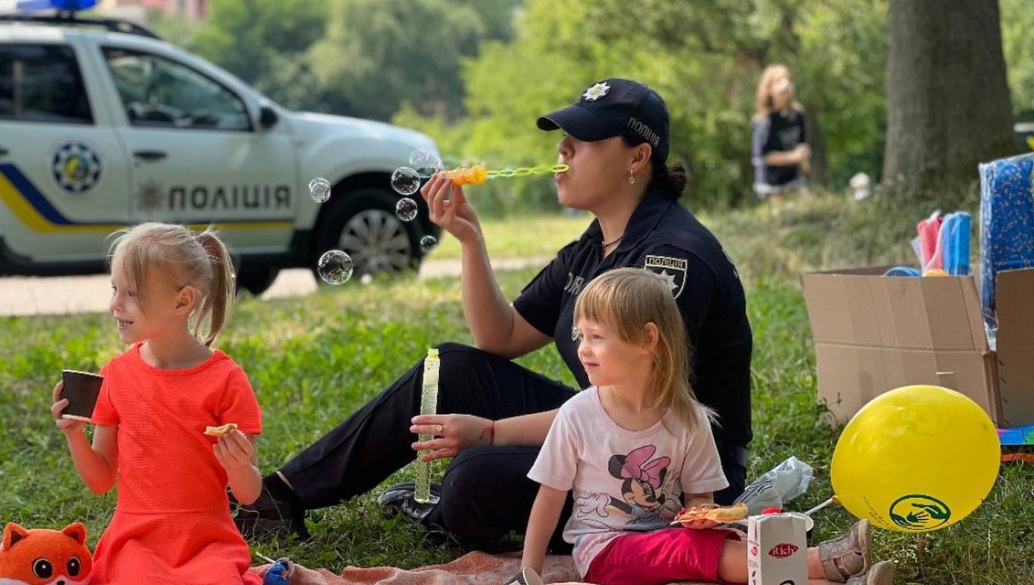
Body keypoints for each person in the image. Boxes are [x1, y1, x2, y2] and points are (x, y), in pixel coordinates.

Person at [239, 78, 753, 551]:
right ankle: (280, 497)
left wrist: (488, 432)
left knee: (473, 478)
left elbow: (640, 406)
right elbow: (501, 336)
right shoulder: (595, 245)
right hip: (611, 425)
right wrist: (469, 239)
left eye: (584, 140)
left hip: (673, 471)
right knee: (451, 368)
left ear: (637, 157)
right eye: (563, 138)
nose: (563, 150)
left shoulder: (672, 259)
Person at [518, 267, 894, 585]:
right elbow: (549, 499)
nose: (582, 347)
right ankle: (823, 561)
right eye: (580, 335)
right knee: (697, 551)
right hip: (604, 552)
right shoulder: (577, 415)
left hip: (668, 539)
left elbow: (700, 500)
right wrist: (528, 573)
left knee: (725, 542)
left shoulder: (687, 419)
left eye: (596, 337)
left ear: (648, 340)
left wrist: (703, 518)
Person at [51, 223, 263, 585]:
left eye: (132, 293)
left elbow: (249, 494)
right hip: (136, 540)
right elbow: (101, 479)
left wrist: (239, 465)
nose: (115, 304)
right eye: (114, 288)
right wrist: (74, 435)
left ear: (182, 301)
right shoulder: (116, 376)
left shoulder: (226, 379)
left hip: (206, 539)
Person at [752, 64, 811, 207]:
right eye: (778, 81)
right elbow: (763, 157)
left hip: (793, 178)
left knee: (809, 207)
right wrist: (793, 157)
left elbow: (800, 144)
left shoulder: (798, 114)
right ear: (769, 89)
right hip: (771, 184)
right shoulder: (765, 121)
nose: (785, 84)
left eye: (787, 79)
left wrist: (803, 159)